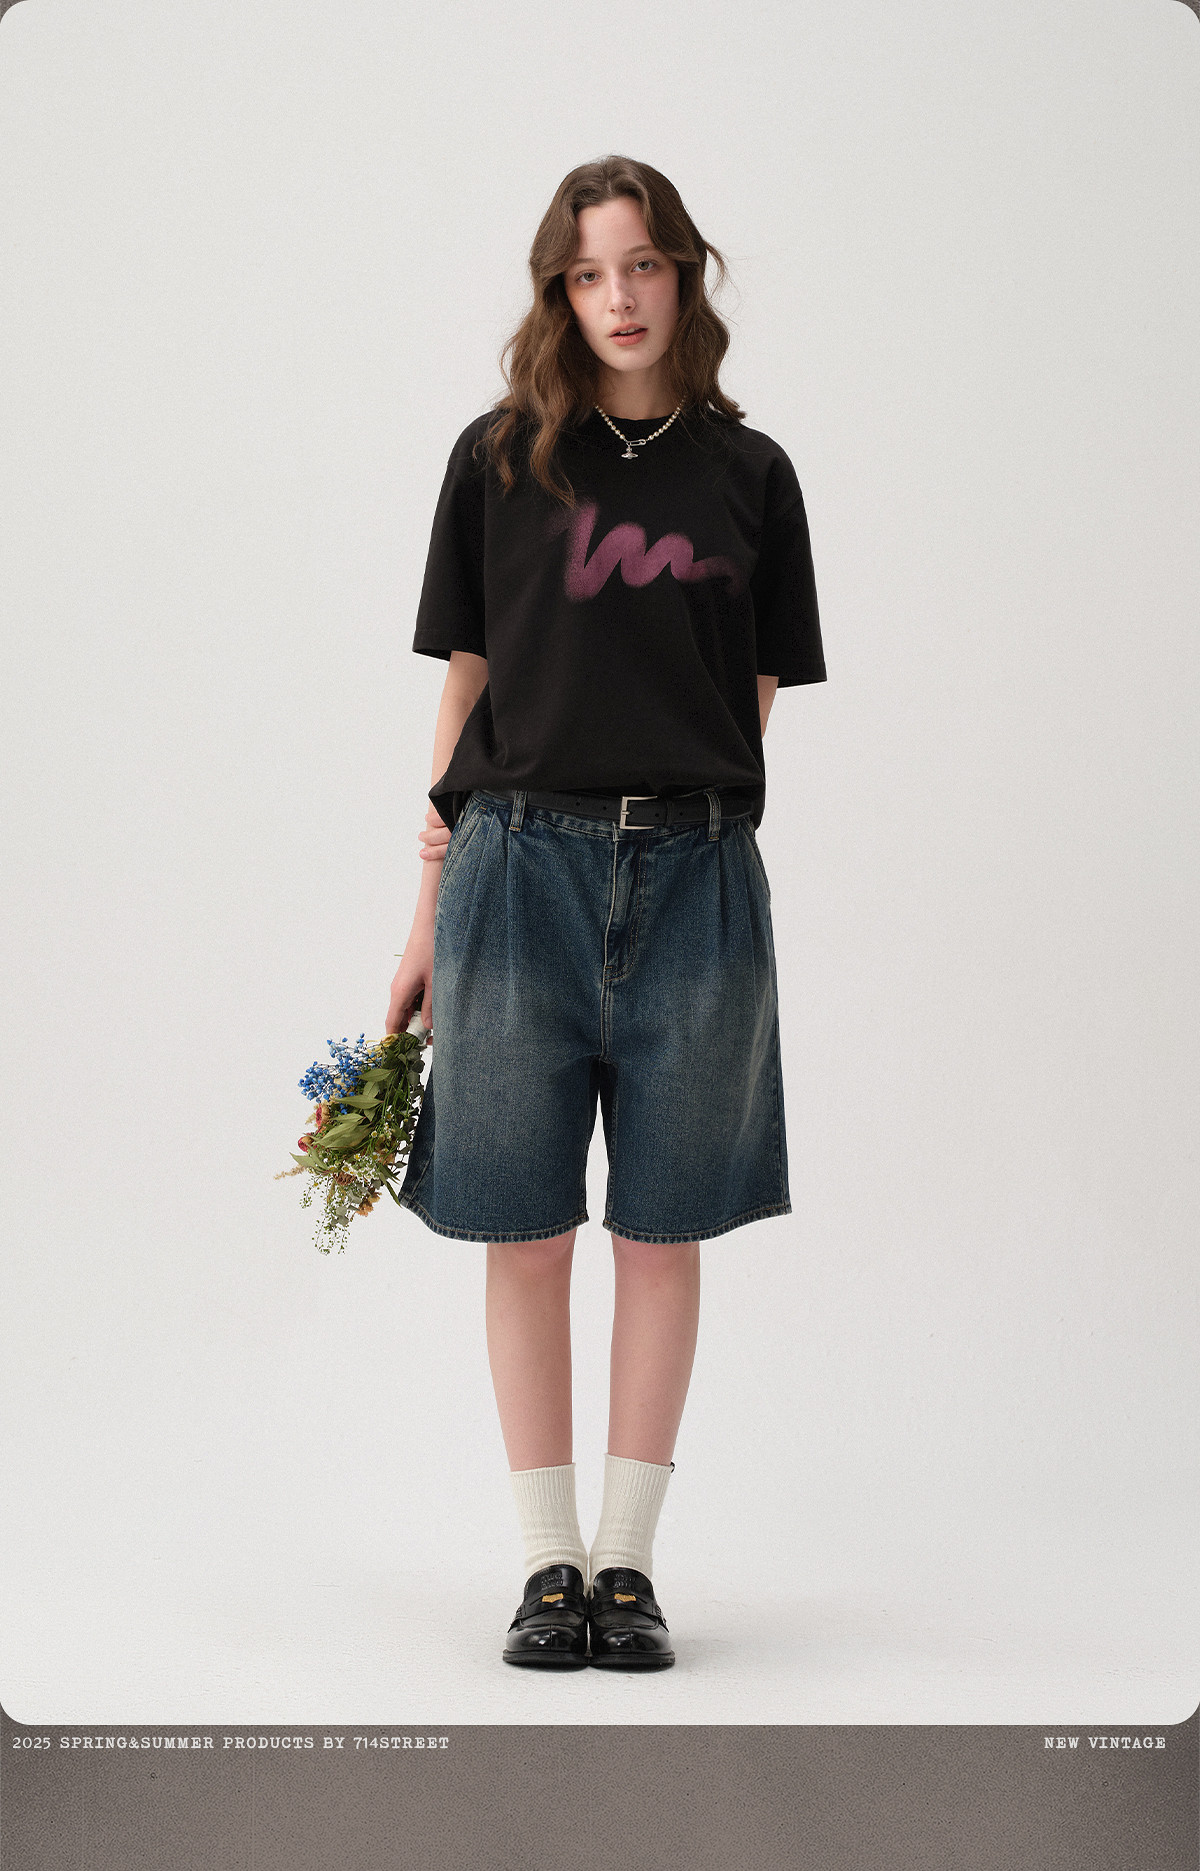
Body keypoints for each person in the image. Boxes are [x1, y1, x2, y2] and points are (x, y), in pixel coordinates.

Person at [385, 156, 825, 1671]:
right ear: (557, 293)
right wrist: (427, 911)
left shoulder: (751, 476)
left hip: (697, 878)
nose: (619, 298)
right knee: (524, 1233)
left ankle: (625, 1568)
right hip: (517, 870)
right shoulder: (499, 462)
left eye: (642, 266)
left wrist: (690, 817)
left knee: (659, 1229)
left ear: (684, 275)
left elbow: (752, 695)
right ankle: (544, 1566)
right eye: (588, 274)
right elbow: (468, 685)